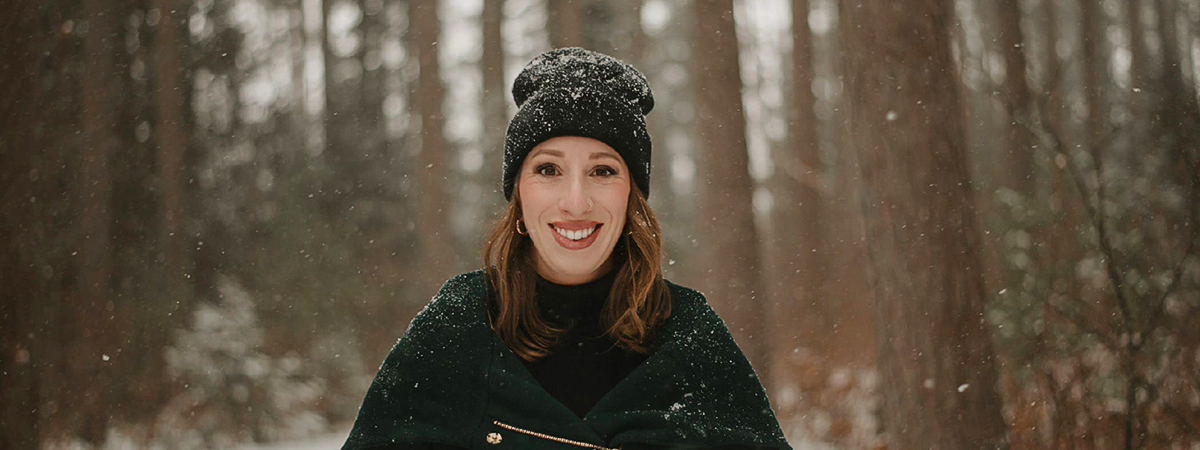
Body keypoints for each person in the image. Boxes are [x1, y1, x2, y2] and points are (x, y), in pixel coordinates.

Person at [341, 48, 790, 450]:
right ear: (519, 194)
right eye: (549, 170)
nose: (576, 203)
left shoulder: (689, 332)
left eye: (603, 171)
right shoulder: (458, 325)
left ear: (632, 197)